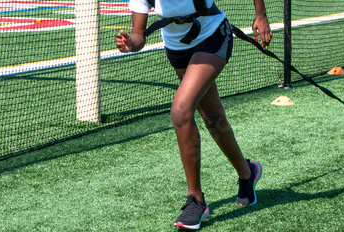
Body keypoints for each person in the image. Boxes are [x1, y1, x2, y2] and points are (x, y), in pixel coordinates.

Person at [116, 0, 272, 230]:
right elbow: (139, 34)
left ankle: (196, 199)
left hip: (213, 37)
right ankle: (247, 173)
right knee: (213, 118)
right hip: (177, 49)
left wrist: (261, 14)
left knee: (181, 111)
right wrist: (131, 43)